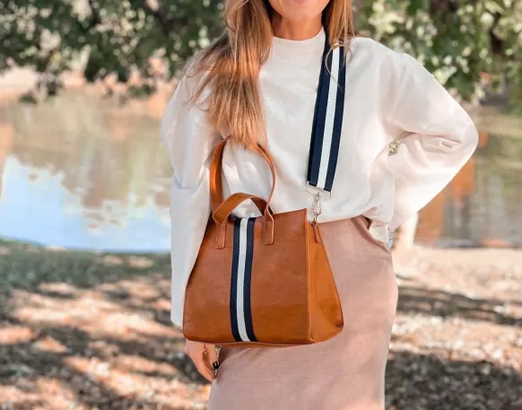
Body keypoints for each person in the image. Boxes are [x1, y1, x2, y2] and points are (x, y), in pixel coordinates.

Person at [159, 0, 478, 408]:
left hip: (352, 275)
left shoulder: (374, 66)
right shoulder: (216, 71)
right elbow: (191, 188)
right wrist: (190, 316)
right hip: (252, 273)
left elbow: (454, 135)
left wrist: (380, 204)